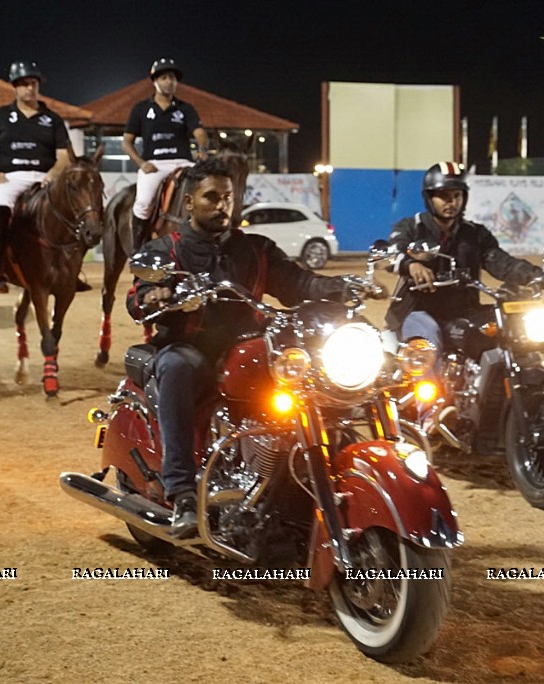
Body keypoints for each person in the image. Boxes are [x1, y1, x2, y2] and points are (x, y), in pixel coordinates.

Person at [126, 158, 356, 537]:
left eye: (228, 197)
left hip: (249, 351)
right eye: (211, 197)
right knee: (178, 367)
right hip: (189, 348)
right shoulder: (168, 249)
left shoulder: (255, 249)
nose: (222, 206)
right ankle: (182, 490)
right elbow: (137, 298)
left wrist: (341, 286)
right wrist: (157, 294)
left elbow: (299, 284)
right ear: (189, 202)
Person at [385, 162, 544, 417]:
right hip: (417, 311)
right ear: (429, 198)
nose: (451, 202)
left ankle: (512, 401)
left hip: (463, 311)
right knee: (427, 336)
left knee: (514, 327)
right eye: (443, 196)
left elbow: (501, 262)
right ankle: (430, 413)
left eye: (456, 195)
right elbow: (392, 254)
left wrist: (540, 277)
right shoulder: (411, 227)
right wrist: (411, 265)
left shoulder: (474, 234)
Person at [0, 60, 87, 293]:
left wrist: (52, 175)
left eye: (34, 83)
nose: (30, 88)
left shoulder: (53, 119)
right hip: (10, 178)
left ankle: (72, 270)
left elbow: (64, 156)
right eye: (24, 83)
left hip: (44, 177)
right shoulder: (0, 116)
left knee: (79, 209)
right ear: (15, 87)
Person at [122, 57, 209, 238]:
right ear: (154, 81)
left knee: (208, 192)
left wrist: (202, 149)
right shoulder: (140, 109)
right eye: (164, 78)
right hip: (155, 165)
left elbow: (200, 133)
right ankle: (138, 248)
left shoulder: (186, 109)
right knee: (144, 203)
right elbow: (127, 142)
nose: (169, 82)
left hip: (184, 163)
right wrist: (141, 163)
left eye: (173, 78)